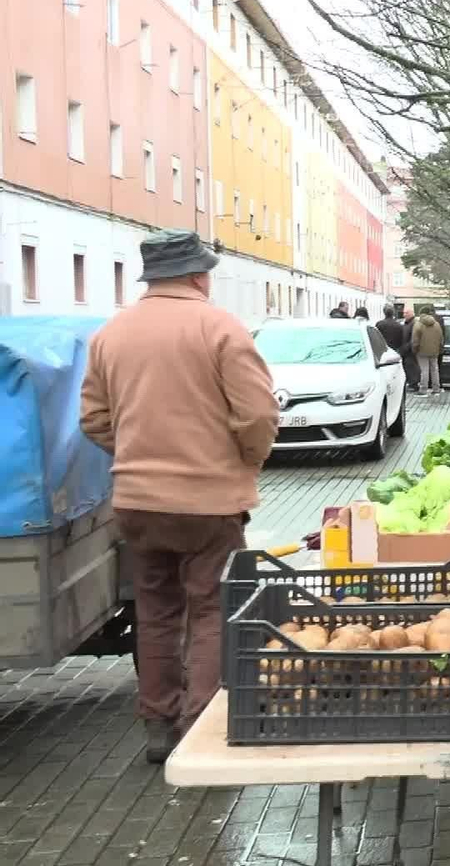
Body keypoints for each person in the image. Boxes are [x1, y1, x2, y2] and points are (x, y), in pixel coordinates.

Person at [79, 229, 278, 763]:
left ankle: (158, 726)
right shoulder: (220, 328)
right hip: (209, 504)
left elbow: (93, 419)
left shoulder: (111, 334)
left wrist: (138, 452)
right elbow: (257, 415)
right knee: (212, 610)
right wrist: (246, 461)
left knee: (156, 611)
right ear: (198, 274)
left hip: (137, 501)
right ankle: (198, 727)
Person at [411, 305, 445, 395]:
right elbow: (441, 338)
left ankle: (423, 390)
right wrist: (440, 348)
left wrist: (415, 349)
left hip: (422, 351)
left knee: (424, 370)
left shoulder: (418, 324)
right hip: (434, 351)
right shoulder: (436, 324)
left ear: (421, 313)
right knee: (435, 369)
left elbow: (415, 340)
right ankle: (436, 389)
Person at [399, 304, 420, 392]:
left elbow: (413, 338)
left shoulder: (414, 323)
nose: (404, 315)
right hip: (406, 349)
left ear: (411, 313)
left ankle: (413, 384)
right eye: (404, 313)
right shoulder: (406, 323)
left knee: (411, 367)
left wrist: (406, 348)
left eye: (406, 313)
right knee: (408, 367)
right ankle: (411, 383)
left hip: (410, 350)